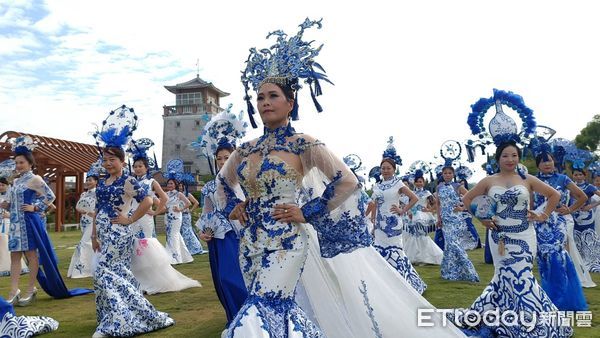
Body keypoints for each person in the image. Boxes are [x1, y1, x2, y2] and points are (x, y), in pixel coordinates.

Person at [460, 89, 572, 337]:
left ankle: (531, 323)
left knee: (523, 276)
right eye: (505, 155)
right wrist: (483, 218)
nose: (510, 159)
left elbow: (554, 195)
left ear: (519, 157)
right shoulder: (488, 180)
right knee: (503, 277)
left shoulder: (527, 178)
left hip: (525, 235)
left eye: (514, 155)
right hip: (499, 237)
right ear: (497, 157)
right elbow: (468, 199)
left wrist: (542, 215)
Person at [91, 106, 174, 337]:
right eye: (105, 159)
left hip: (120, 233)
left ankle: (120, 320)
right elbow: (97, 210)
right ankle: (120, 315)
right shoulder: (102, 183)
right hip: (104, 234)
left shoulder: (128, 181)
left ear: (122, 159)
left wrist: (129, 219)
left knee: (103, 273)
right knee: (119, 275)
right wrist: (93, 235)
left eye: (112, 159)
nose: (107, 163)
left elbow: (148, 201)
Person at [1, 136, 91, 305]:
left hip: (28, 223)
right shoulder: (15, 181)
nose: (19, 165)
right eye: (17, 163)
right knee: (14, 257)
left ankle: (30, 289)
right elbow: (14, 203)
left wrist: (35, 208)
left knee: (31, 255)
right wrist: (7, 205)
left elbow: (51, 196)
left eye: (22, 162)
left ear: (30, 163)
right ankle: (14, 291)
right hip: (14, 224)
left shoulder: (35, 179)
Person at [194, 108, 248, 327]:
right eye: (219, 159)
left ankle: (250, 318)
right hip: (221, 239)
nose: (223, 161)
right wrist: (204, 232)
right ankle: (236, 318)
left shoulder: (245, 183)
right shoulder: (209, 188)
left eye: (228, 157)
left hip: (245, 238)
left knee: (240, 279)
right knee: (224, 280)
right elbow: (207, 214)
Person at [128, 143, 200, 294]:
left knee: (145, 245)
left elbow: (164, 198)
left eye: (140, 166)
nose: (137, 168)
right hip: (132, 217)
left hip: (146, 218)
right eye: (135, 166)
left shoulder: (151, 182)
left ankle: (154, 280)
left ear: (146, 168)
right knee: (134, 245)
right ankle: (138, 280)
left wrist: (155, 212)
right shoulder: (131, 182)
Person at [532, 151, 589, 309]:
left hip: (558, 224)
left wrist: (569, 209)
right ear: (538, 165)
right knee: (544, 260)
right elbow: (530, 204)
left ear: (554, 162)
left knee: (559, 257)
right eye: (543, 161)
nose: (547, 164)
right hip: (539, 225)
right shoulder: (532, 181)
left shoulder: (563, 179)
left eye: (549, 160)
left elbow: (582, 196)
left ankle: (563, 299)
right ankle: (548, 297)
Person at [369, 140, 427, 293]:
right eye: (383, 168)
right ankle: (385, 283)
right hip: (380, 225)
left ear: (394, 169)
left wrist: (402, 210)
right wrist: (373, 222)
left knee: (395, 251)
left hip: (394, 223)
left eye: (388, 168)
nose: (385, 170)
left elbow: (414, 198)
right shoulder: (378, 185)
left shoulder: (398, 183)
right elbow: (374, 204)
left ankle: (406, 283)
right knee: (380, 251)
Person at [437, 165, 479, 282]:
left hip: (456, 220)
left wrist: (462, 207)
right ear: (442, 174)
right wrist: (438, 218)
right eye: (445, 173)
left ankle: (470, 272)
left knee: (454, 244)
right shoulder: (439, 187)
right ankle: (450, 273)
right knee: (449, 246)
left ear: (453, 174)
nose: (447, 175)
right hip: (445, 220)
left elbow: (470, 197)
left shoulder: (458, 186)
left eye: (449, 173)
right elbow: (438, 204)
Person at [403, 170, 443, 265]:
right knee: (413, 235)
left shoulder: (427, 193)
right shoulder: (411, 192)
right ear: (414, 182)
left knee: (422, 235)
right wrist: (409, 211)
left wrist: (429, 210)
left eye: (420, 181)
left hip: (423, 216)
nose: (418, 183)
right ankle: (415, 257)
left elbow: (436, 203)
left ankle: (425, 257)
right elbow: (409, 203)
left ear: (423, 182)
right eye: (417, 181)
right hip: (413, 215)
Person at [67, 165, 99, 278]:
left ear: (96, 181)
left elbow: (100, 208)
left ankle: (83, 270)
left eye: (90, 180)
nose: (88, 182)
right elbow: (78, 206)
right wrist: (80, 210)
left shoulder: (98, 193)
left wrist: (94, 213)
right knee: (87, 243)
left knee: (84, 242)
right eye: (87, 180)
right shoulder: (83, 194)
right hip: (84, 220)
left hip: (93, 221)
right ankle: (92, 267)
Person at [570, 166, 600, 272]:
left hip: (587, 216)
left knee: (589, 238)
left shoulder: (589, 187)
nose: (578, 177)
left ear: (584, 175)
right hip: (574, 216)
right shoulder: (570, 186)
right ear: (572, 175)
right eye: (575, 174)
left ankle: (592, 263)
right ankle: (579, 262)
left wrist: (591, 206)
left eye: (580, 174)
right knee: (576, 238)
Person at [0, 176, 28, 277]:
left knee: (6, 242)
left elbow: (18, 210)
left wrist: (10, 215)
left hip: (9, 223)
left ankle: (8, 267)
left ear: (8, 186)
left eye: (3, 185)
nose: (0, 187)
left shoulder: (12, 195)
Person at [164, 178, 193, 264]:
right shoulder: (165, 194)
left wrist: (180, 209)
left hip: (176, 216)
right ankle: (186, 257)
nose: (169, 185)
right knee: (172, 235)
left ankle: (175, 258)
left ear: (175, 185)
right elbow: (162, 204)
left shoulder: (179, 194)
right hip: (167, 216)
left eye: (171, 183)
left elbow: (188, 203)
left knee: (174, 235)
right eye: (168, 183)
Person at [178, 181, 205, 255]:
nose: (180, 187)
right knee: (181, 231)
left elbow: (196, 202)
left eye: (181, 186)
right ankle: (184, 248)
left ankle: (195, 247)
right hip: (178, 215)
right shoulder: (176, 194)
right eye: (179, 185)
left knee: (187, 231)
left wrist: (191, 210)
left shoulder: (187, 194)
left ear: (184, 186)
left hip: (186, 215)